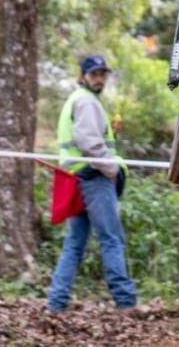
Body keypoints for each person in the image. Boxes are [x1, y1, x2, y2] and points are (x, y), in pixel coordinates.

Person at [46, 55, 137, 313]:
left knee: (74, 244)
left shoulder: (79, 99)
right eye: (95, 74)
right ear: (83, 75)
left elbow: (86, 138)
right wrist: (110, 169)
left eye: (103, 74)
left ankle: (56, 303)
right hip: (94, 178)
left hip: (77, 179)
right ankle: (125, 301)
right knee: (111, 239)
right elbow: (87, 143)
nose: (100, 78)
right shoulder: (86, 101)